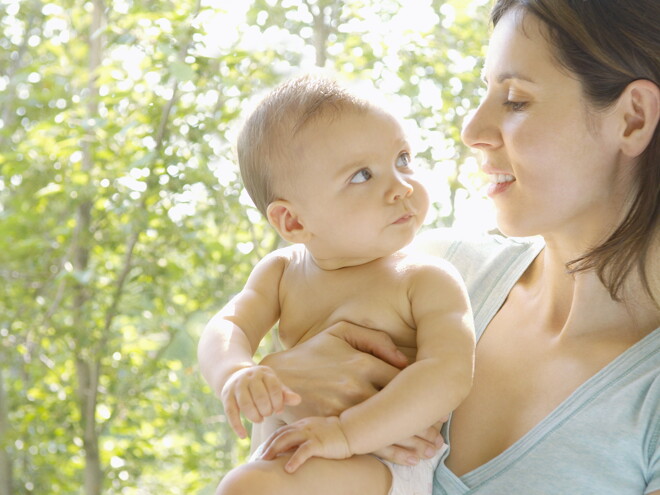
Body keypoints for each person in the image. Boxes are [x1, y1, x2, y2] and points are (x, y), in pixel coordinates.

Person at [238, 0, 660, 493]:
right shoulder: (422, 268)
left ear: (632, 118)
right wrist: (277, 379)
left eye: (516, 99)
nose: (472, 131)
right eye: (485, 92)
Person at [197, 75, 476, 495]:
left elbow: (450, 373)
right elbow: (228, 326)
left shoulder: (424, 280)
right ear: (293, 221)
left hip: (382, 461)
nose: (401, 187)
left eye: (402, 159)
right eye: (363, 175)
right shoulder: (281, 273)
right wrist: (235, 372)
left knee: (247, 488)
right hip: (293, 451)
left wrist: (345, 432)